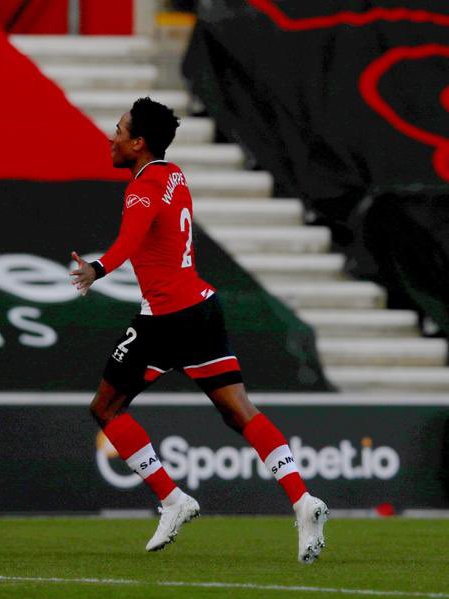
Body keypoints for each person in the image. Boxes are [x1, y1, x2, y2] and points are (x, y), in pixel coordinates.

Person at [70, 97, 328, 562]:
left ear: (139, 142)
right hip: (202, 308)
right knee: (240, 412)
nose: (113, 137)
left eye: (120, 129)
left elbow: (131, 236)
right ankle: (303, 501)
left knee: (105, 409)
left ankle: (171, 498)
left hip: (165, 319)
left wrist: (97, 267)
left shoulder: (143, 188)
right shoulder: (173, 175)